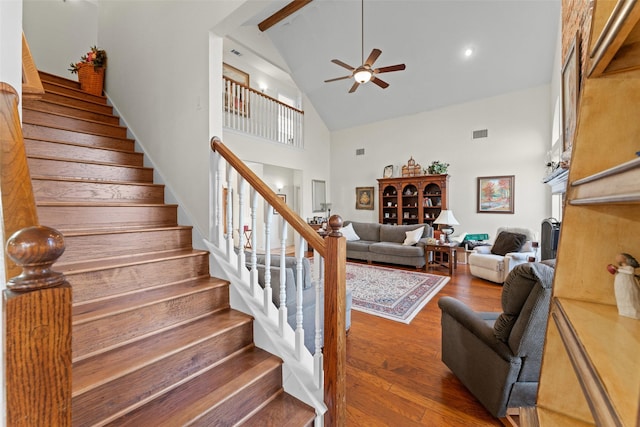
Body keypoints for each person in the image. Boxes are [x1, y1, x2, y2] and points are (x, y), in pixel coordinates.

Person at [607, 253, 640, 319]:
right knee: (623, 297)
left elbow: (630, 272)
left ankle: (634, 312)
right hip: (621, 287)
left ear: (625, 259)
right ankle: (624, 311)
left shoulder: (629, 268)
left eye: (619, 257)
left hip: (628, 286)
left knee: (629, 297)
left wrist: (618, 269)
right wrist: (613, 269)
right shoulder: (621, 268)